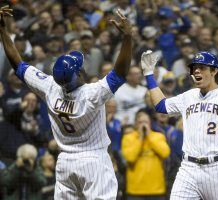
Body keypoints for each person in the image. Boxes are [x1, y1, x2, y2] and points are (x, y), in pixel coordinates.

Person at [0, 5, 133, 200]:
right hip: (93, 160)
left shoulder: (50, 87)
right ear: (78, 74)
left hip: (65, 162)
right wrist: (128, 38)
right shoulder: (91, 94)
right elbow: (120, 73)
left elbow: (18, 64)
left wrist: (2, 30)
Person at [140, 48, 218, 200]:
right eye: (194, 68)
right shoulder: (188, 96)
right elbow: (161, 106)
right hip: (188, 167)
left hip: (217, 168)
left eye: (202, 68)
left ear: (214, 71)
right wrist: (148, 74)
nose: (197, 71)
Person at [121, 110, 170, 200]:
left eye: (146, 122)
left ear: (150, 123)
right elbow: (130, 158)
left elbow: (165, 153)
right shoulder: (128, 138)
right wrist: (140, 138)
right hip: (135, 191)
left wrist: (149, 136)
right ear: (136, 123)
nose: (143, 125)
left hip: (157, 190)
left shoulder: (158, 136)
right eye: (140, 122)